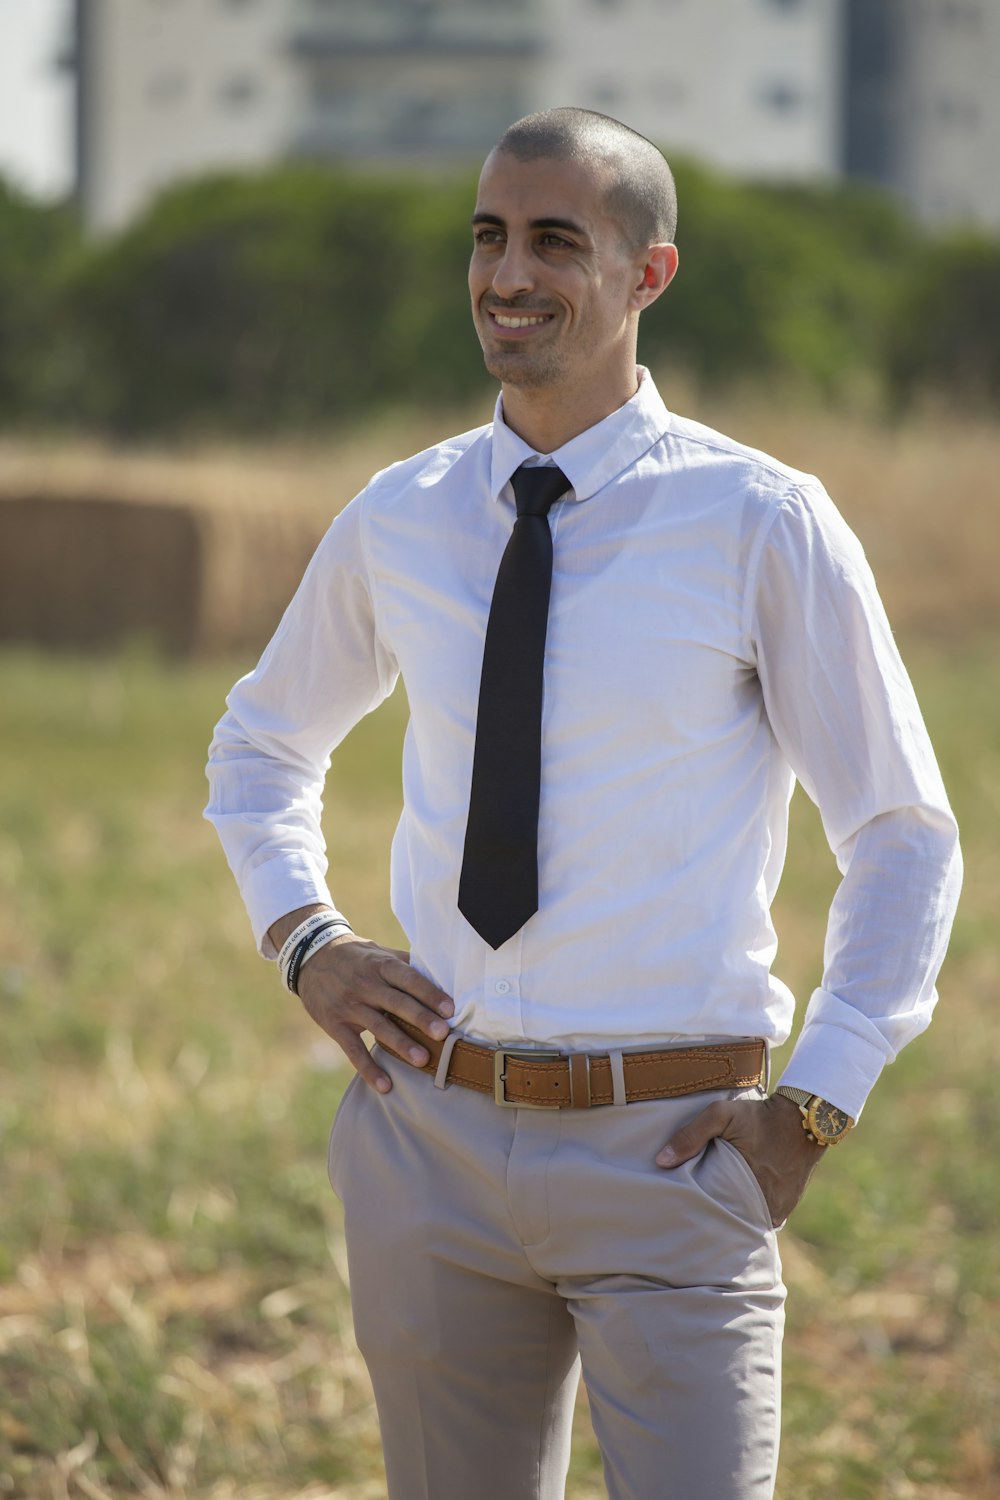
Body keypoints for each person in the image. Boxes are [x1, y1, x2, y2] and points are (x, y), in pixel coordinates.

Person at [205, 108, 962, 1499]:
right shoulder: (402, 513)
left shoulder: (761, 520)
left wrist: (812, 1114)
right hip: (426, 1150)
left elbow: (906, 840)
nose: (509, 274)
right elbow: (259, 747)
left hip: (676, 1158)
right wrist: (306, 944)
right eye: (489, 236)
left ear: (646, 275)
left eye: (557, 240)